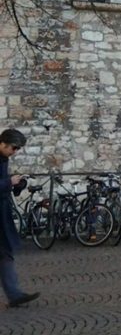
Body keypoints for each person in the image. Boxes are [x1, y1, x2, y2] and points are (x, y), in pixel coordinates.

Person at [0, 128, 39, 308]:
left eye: (17, 149)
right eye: (13, 148)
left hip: (2, 214)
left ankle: (14, 294)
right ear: (3, 144)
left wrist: (18, 184)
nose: (14, 152)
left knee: (5, 254)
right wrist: (9, 182)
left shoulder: (3, 158)